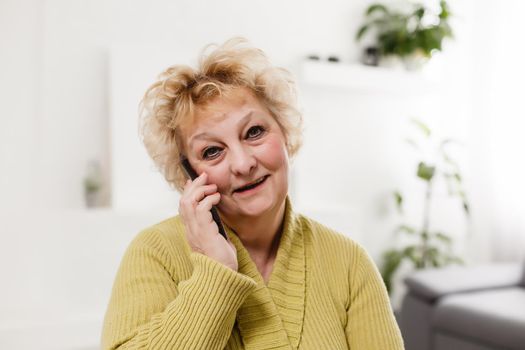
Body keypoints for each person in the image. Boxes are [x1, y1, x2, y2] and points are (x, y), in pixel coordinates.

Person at [101, 38, 404, 350]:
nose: (244, 164)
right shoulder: (155, 252)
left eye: (254, 132)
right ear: (187, 174)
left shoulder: (349, 261)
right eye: (212, 151)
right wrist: (215, 274)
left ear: (285, 132)